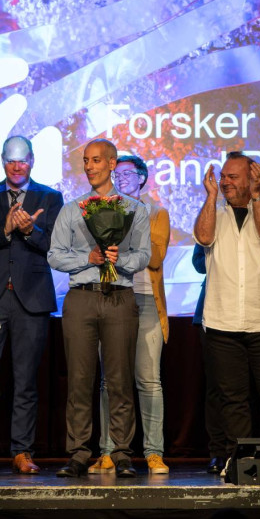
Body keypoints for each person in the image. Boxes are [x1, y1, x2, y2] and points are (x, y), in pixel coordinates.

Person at [48, 139, 151, 478]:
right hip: (81, 297)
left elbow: (143, 256)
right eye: (85, 161)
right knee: (79, 380)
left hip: (119, 297)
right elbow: (54, 255)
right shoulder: (71, 208)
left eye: (96, 161)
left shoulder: (134, 209)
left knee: (120, 379)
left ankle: (121, 453)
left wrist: (119, 259)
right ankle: (78, 453)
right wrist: (87, 258)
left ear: (111, 164)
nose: (89, 167)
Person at [193, 152, 260, 470]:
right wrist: (210, 197)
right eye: (223, 176)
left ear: (252, 179)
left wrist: (258, 195)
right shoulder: (214, 213)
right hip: (222, 323)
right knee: (232, 401)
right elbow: (204, 237)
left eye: (232, 176)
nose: (224, 182)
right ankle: (241, 463)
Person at [0, 135, 63, 474]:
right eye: (11, 159)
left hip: (32, 301)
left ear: (33, 161)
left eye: (23, 159)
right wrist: (6, 228)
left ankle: (22, 451)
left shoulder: (50, 197)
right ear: (3, 162)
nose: (17, 164)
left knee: (25, 381)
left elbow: (55, 246)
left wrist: (29, 230)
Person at [90, 154, 170, 475]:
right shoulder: (103, 210)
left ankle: (153, 452)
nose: (120, 177)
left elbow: (154, 257)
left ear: (141, 177)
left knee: (149, 381)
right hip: (112, 299)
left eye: (126, 173)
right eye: (115, 173)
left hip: (147, 300)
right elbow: (96, 255)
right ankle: (108, 452)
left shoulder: (156, 213)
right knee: (110, 382)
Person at [192, 243, 228, 475]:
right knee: (216, 386)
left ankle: (248, 447)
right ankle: (219, 451)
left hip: (256, 312)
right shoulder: (212, 219)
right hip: (213, 309)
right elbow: (198, 263)